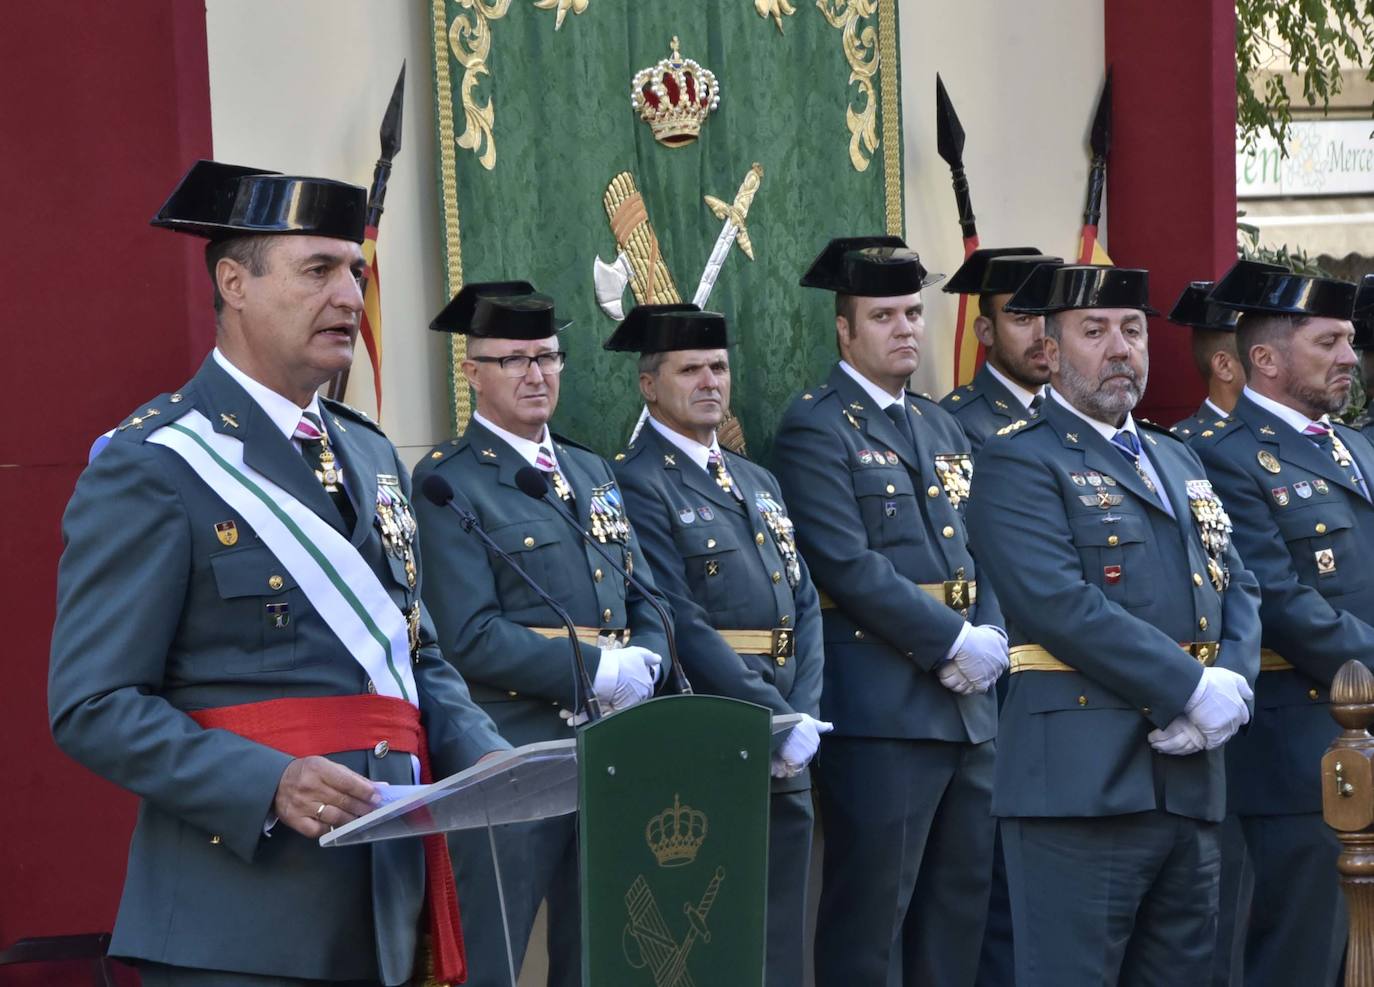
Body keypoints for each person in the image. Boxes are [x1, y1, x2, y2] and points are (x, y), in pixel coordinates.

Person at [48, 160, 508, 986]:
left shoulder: (367, 451)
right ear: (234, 282)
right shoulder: (155, 462)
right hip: (241, 920)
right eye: (319, 270)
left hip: (388, 899)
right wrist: (266, 783)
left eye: (356, 273)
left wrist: (483, 759)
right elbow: (92, 704)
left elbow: (414, 651)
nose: (347, 297)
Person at [965, 263, 1261, 987]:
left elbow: (1238, 582)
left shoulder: (1176, 455)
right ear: (1051, 349)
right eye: (1093, 331)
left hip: (1189, 782)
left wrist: (1235, 687)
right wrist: (1191, 686)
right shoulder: (1017, 459)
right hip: (1080, 790)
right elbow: (1059, 604)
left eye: (1132, 329)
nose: (1119, 347)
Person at [413, 282, 671, 987]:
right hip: (515, 754)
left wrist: (645, 659)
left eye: (549, 357)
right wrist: (595, 667)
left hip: (612, 748)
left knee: (602, 955)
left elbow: (644, 593)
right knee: (491, 955)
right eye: (515, 360)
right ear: (472, 373)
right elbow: (468, 636)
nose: (536, 375)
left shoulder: (589, 470)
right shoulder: (449, 482)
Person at [773, 236, 1008, 987]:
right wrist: (950, 641)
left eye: (913, 311)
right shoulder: (817, 424)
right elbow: (846, 563)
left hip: (970, 711)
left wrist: (994, 630)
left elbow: (982, 547)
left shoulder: (942, 425)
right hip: (885, 710)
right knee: (872, 924)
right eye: (884, 315)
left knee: (956, 918)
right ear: (845, 330)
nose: (907, 327)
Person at [605, 303, 826, 986]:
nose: (710, 381)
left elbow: (806, 603)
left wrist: (804, 711)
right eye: (691, 368)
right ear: (649, 383)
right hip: (713, 729)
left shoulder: (756, 480)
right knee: (712, 938)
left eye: (720, 367)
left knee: (782, 936)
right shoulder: (637, 480)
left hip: (791, 731)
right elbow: (679, 619)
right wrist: (772, 717)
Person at [1190, 259, 1368, 987]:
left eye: (1350, 340)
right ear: (1264, 358)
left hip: (1363, 736)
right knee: (1302, 954)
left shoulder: (1354, 447)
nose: (1350, 357)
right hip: (1301, 754)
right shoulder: (1225, 457)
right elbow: (1282, 602)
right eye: (1328, 342)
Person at [939, 249, 1060, 452]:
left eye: (1049, 318)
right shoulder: (957, 422)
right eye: (1023, 319)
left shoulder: (1070, 406)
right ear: (985, 331)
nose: (1042, 335)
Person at [1169, 279, 1247, 439]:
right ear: (1224, 366)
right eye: (1259, 356)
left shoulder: (1280, 430)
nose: (1271, 366)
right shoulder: (1188, 445)